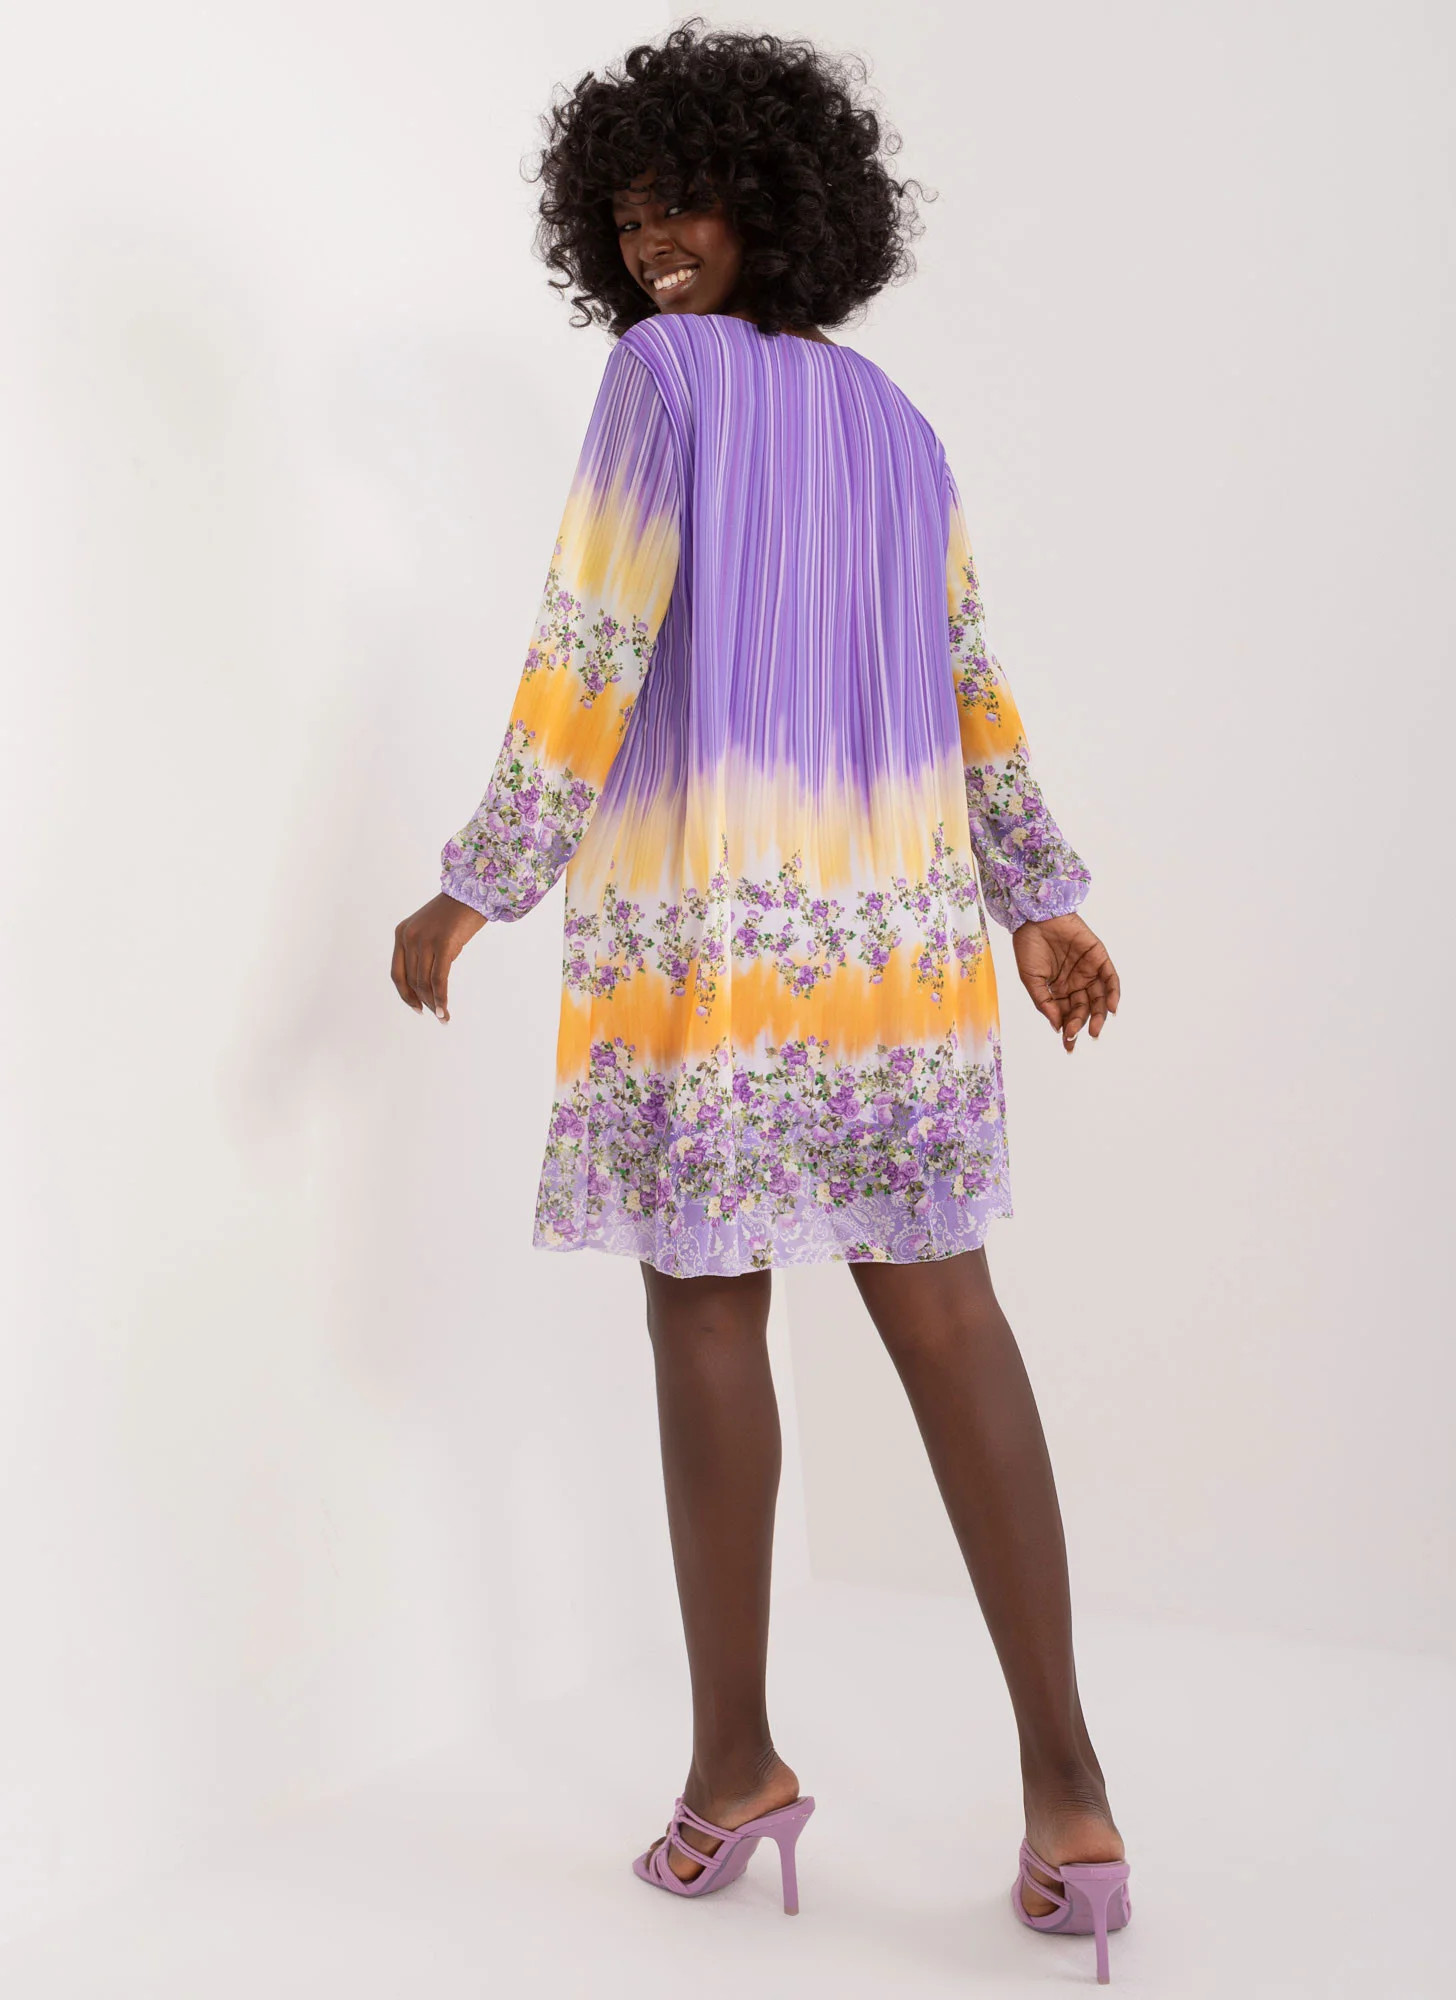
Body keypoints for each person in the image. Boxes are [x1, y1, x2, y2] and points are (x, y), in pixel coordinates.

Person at [390, 20, 1129, 1983]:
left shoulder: (667, 382)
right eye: (631, 213)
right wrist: (1036, 900)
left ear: (774, 209)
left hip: (717, 932)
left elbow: (590, 640)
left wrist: (480, 878)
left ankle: (736, 1770)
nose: (655, 244)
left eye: (688, 203)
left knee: (707, 1310)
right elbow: (975, 686)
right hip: (898, 947)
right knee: (950, 1316)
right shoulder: (898, 424)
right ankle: (1071, 1792)